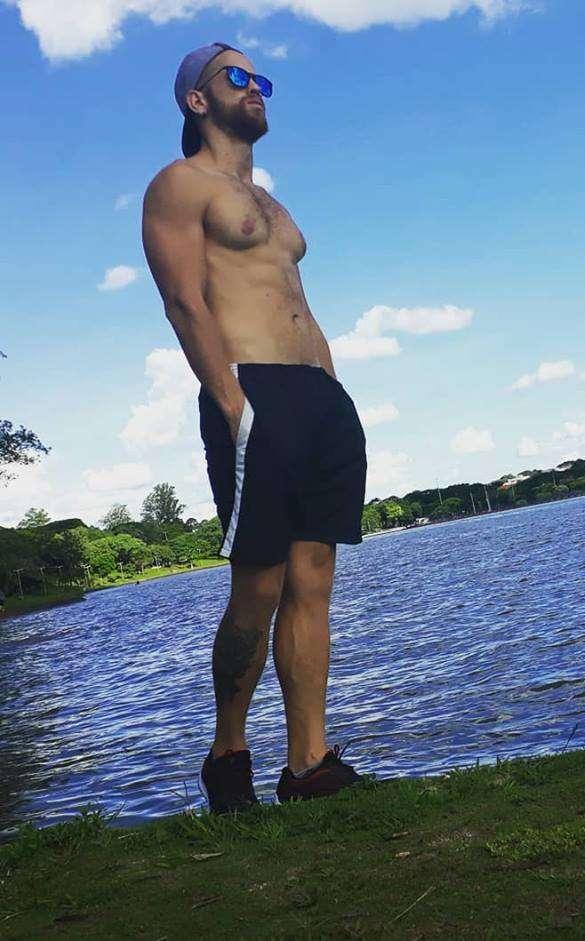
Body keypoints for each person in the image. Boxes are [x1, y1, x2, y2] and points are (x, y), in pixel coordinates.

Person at [141, 42, 368, 815]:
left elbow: (297, 300)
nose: (255, 87)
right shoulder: (179, 184)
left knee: (314, 577)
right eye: (236, 77)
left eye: (259, 78)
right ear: (197, 100)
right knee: (260, 583)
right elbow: (184, 301)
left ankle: (308, 762)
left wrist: (334, 390)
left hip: (318, 396)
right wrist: (231, 400)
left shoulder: (273, 205)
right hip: (251, 389)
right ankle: (228, 751)